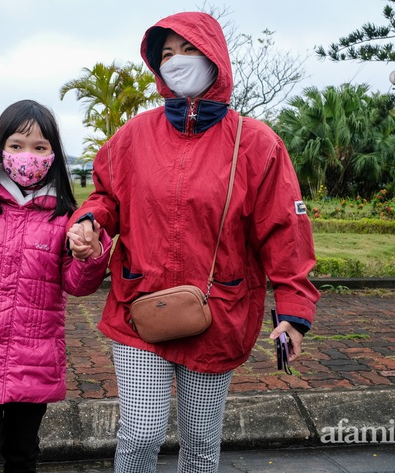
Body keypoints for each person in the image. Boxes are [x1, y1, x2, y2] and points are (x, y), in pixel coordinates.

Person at [66, 11, 320, 473]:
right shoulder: (134, 136)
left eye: (188, 50)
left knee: (201, 442)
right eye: (166, 54)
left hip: (218, 314)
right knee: (140, 432)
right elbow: (106, 196)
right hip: (140, 306)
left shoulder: (257, 144)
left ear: (215, 59)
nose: (177, 62)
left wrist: (294, 314)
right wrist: (89, 220)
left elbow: (286, 232)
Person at [0, 99, 112, 473]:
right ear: (1, 149)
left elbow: (76, 286)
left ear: (53, 155)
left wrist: (90, 252)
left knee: (22, 452)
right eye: (16, 145)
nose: (27, 155)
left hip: (34, 355)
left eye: (39, 147)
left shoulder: (66, 216)